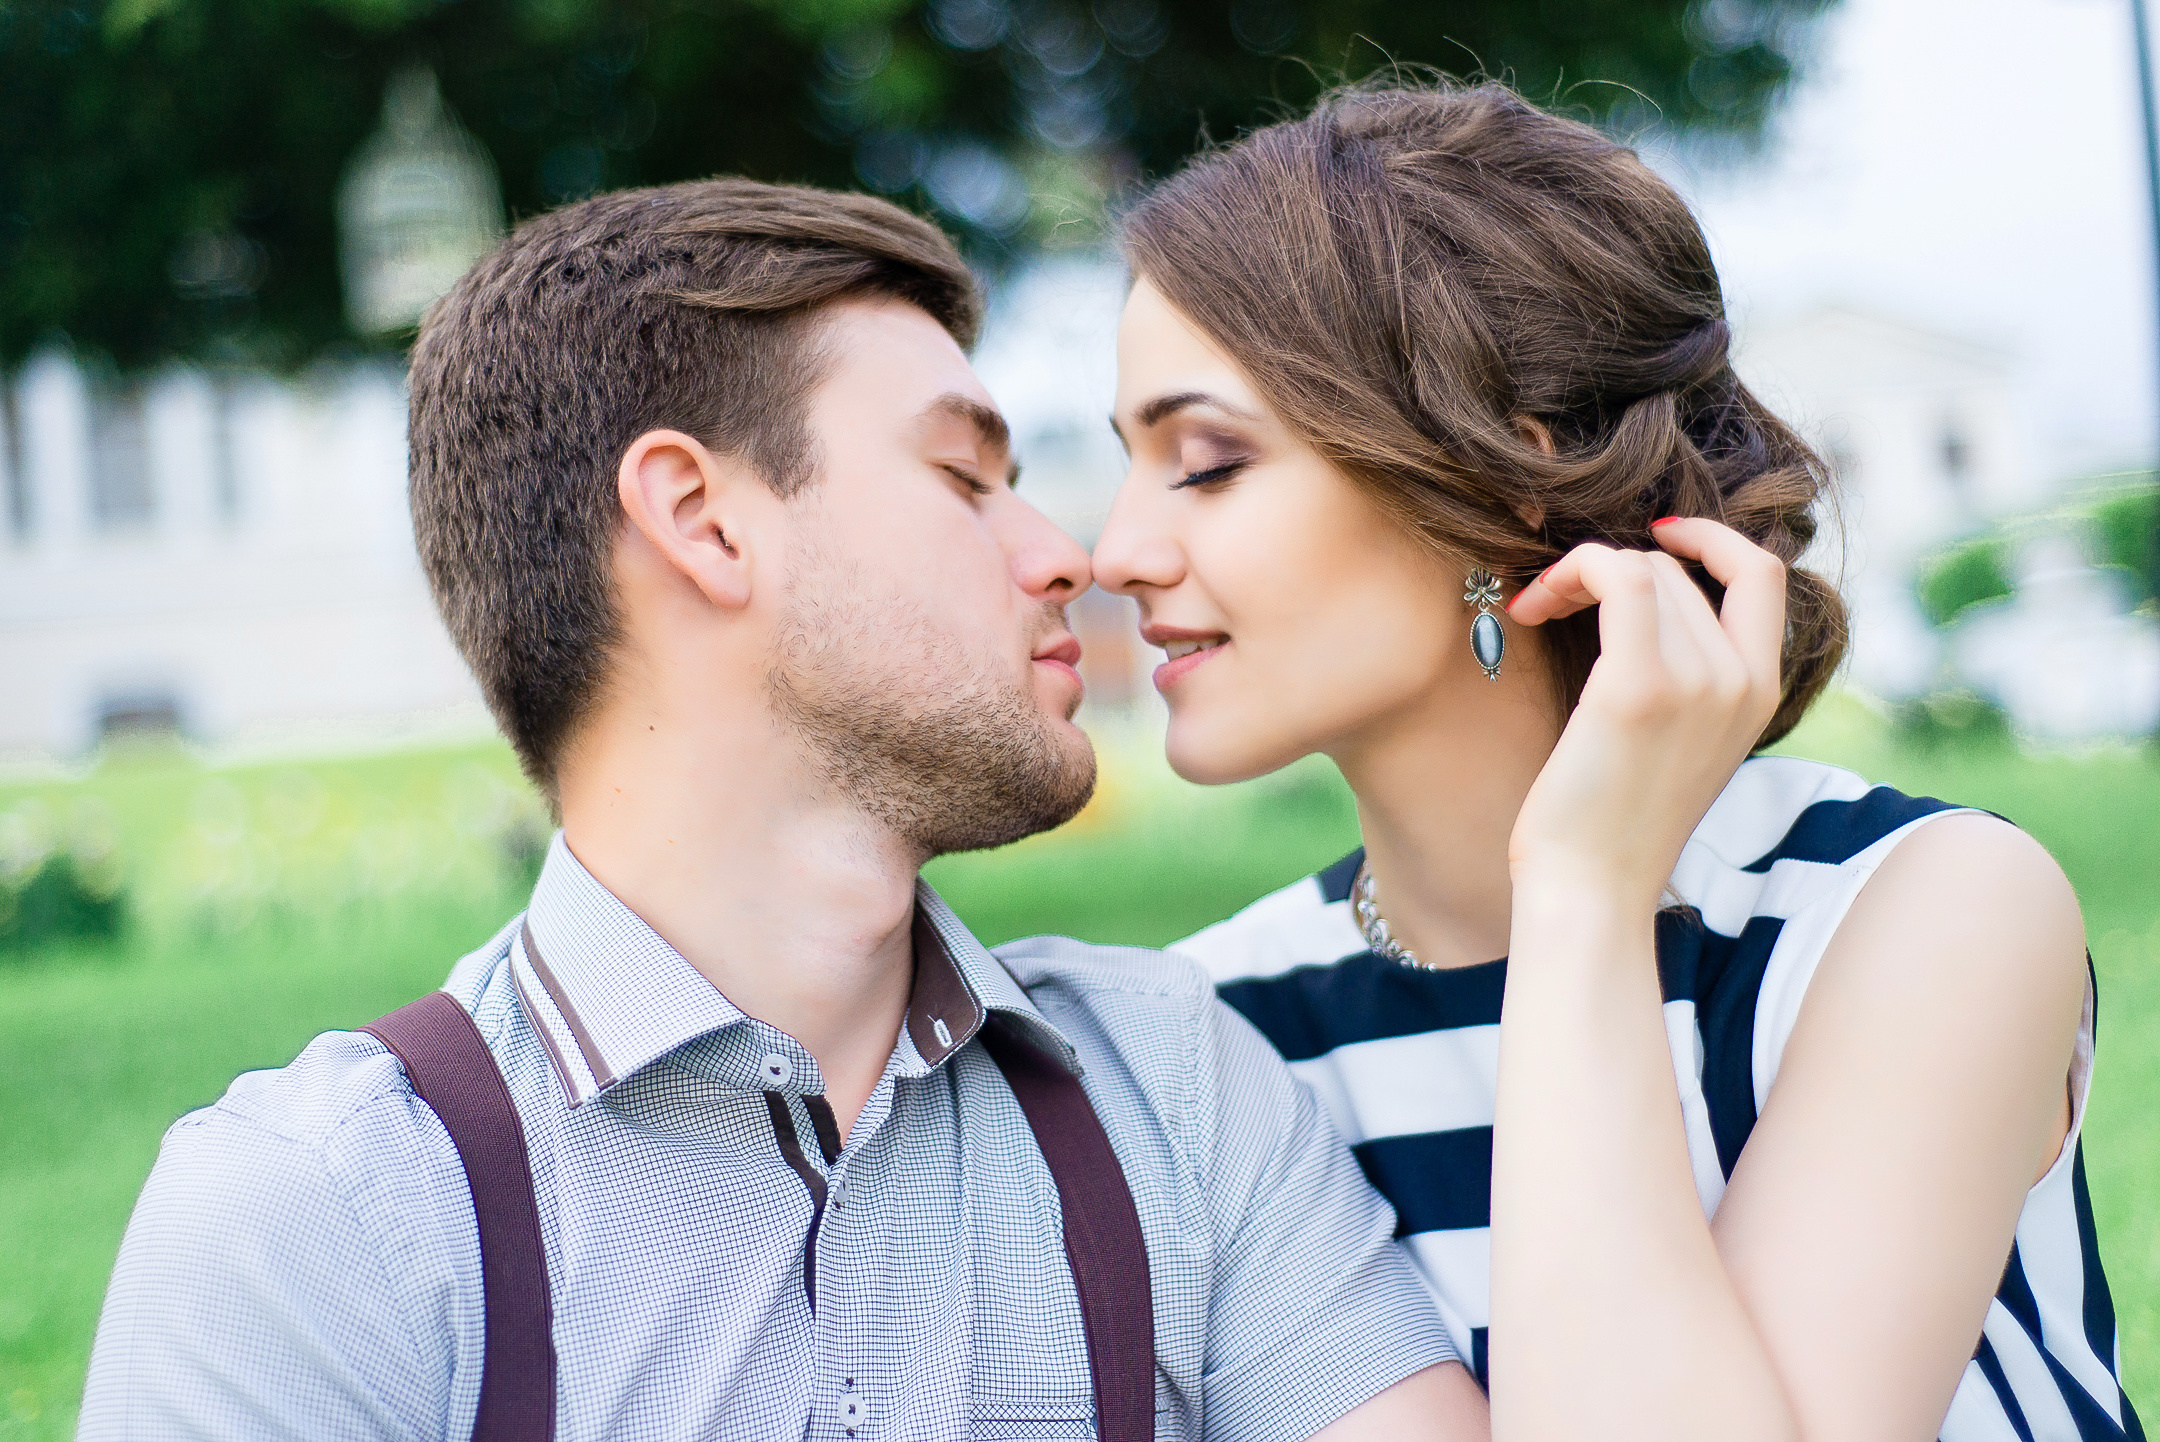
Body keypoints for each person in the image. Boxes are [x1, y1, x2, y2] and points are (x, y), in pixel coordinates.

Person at [77, 179, 1490, 1440]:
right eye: (962, 478)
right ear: (702, 520)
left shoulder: (1175, 1080)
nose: (1069, 555)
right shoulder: (317, 1223)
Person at [1093, 81, 2143, 1442]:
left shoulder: (1911, 911)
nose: (1117, 554)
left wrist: (1583, 892)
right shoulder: (1201, 1031)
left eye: (1208, 463)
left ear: (1502, 478)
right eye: (1131, 465)